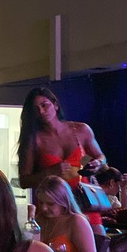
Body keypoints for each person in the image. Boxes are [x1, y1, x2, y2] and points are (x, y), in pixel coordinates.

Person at [17, 86, 107, 234]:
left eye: (44, 105)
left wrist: (96, 163)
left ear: (55, 105)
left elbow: (101, 158)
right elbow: (24, 181)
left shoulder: (81, 130)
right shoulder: (34, 140)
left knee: (99, 248)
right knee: (59, 251)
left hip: (84, 201)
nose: (41, 111)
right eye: (36, 109)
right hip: (53, 206)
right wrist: (50, 172)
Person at [35, 176, 97, 252]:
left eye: (50, 204)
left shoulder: (76, 221)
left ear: (63, 202)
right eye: (41, 203)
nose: (44, 208)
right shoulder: (40, 219)